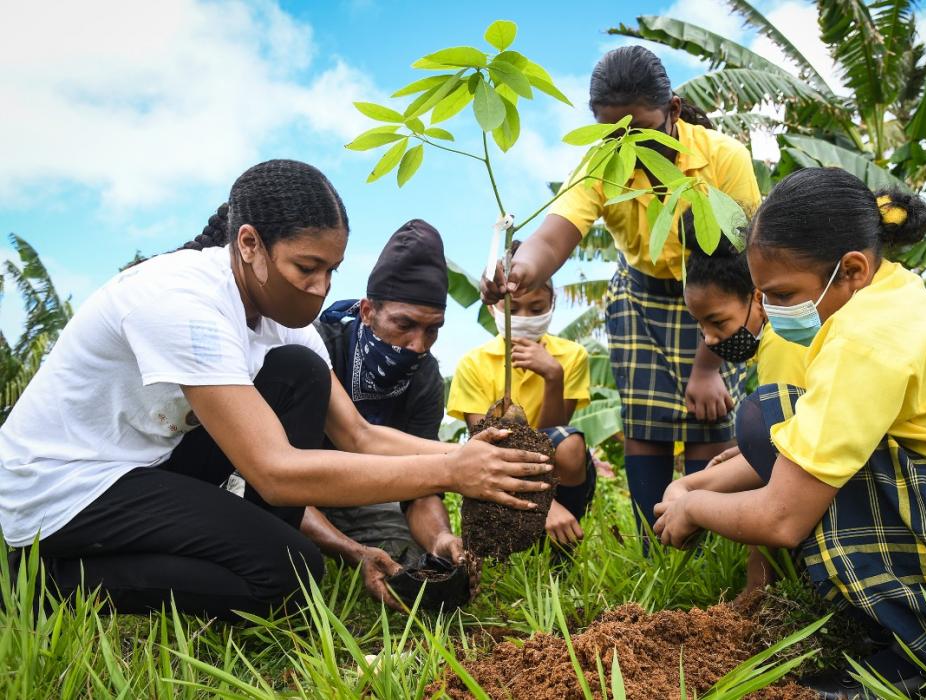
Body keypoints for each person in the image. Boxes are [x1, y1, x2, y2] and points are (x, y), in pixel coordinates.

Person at [0, 159, 551, 620]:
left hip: (139, 468)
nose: (320, 288)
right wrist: (453, 471)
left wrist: (476, 455)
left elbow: (358, 435)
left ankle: (258, 547)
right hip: (61, 487)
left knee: (299, 374)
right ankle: (47, 582)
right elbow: (273, 469)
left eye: (332, 270)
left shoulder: (284, 323)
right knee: (289, 579)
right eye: (306, 267)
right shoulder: (182, 300)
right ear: (249, 244)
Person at [653, 168, 926, 695]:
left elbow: (781, 517)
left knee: (769, 416)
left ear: (851, 269)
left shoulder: (867, 337)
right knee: (777, 417)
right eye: (764, 297)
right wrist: (694, 488)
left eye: (781, 293)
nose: (772, 312)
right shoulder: (891, 298)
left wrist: (691, 507)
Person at [482, 46, 762, 539]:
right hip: (639, 295)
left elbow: (735, 267)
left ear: (674, 111)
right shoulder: (599, 165)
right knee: (647, 426)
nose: (628, 147)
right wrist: (518, 268)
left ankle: (702, 539)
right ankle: (652, 544)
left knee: (709, 418)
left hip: (717, 294)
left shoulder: (724, 159)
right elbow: (556, 233)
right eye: (614, 135)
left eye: (643, 131)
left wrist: (708, 367)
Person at [297, 219, 465, 605]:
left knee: (414, 565)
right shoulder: (315, 348)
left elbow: (421, 483)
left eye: (432, 329)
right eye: (404, 324)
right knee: (295, 566)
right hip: (292, 493)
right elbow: (272, 477)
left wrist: (441, 536)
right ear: (368, 311)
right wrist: (349, 551)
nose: (417, 345)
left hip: (368, 495)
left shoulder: (425, 377)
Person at [680, 220, 806, 593]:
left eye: (717, 321)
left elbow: (785, 465)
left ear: (758, 296)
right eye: (701, 326)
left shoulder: (781, 345)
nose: (710, 338)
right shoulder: (781, 337)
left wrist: (754, 588)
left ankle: (763, 591)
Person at [449, 256, 595, 547]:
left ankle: (562, 548)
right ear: (493, 307)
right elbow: (485, 443)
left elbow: (556, 435)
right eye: (513, 310)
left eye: (537, 309)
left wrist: (553, 376)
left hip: (553, 467)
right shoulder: (473, 364)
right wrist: (546, 507)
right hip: (497, 465)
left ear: (552, 304)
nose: (525, 317)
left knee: (570, 444)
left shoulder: (572, 355)